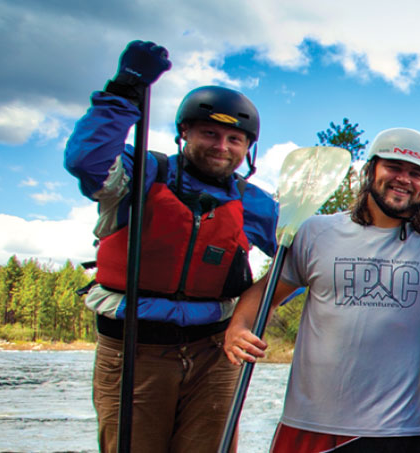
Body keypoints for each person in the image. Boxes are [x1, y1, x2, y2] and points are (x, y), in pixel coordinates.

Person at [64, 40, 276, 453]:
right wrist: (125, 90)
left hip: (215, 352)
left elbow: (299, 265)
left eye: (235, 139)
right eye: (210, 134)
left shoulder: (256, 202)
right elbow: (85, 162)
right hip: (132, 349)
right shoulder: (141, 173)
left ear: (248, 147)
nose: (222, 147)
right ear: (184, 133)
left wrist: (247, 315)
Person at [223, 127, 420, 452]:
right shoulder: (316, 232)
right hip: (307, 420)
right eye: (393, 167)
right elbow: (268, 292)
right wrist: (238, 326)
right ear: (370, 170)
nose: (404, 179)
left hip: (399, 426)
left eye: (417, 173)